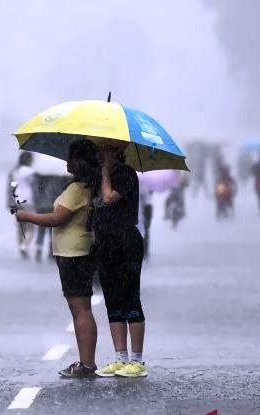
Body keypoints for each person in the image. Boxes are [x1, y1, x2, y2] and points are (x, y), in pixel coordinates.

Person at [14, 140, 99, 378]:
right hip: (78, 250)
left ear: (80, 162)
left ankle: (87, 363)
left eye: (72, 157)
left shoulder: (77, 189)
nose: (67, 162)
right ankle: (86, 361)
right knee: (80, 308)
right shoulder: (88, 186)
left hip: (73, 253)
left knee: (80, 309)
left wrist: (27, 216)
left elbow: (56, 218)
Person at [93, 142, 148, 378]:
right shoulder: (99, 176)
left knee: (130, 299)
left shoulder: (126, 174)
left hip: (126, 242)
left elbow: (108, 198)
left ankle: (137, 360)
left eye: (106, 150)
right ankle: (120, 358)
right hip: (105, 243)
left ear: (117, 152)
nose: (101, 154)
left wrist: (105, 173)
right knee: (113, 300)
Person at [8, 152, 36, 257]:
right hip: (29, 201)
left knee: (20, 227)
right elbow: (34, 186)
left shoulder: (15, 172)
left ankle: (20, 246)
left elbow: (12, 187)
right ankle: (24, 245)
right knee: (31, 228)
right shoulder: (31, 172)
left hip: (17, 200)